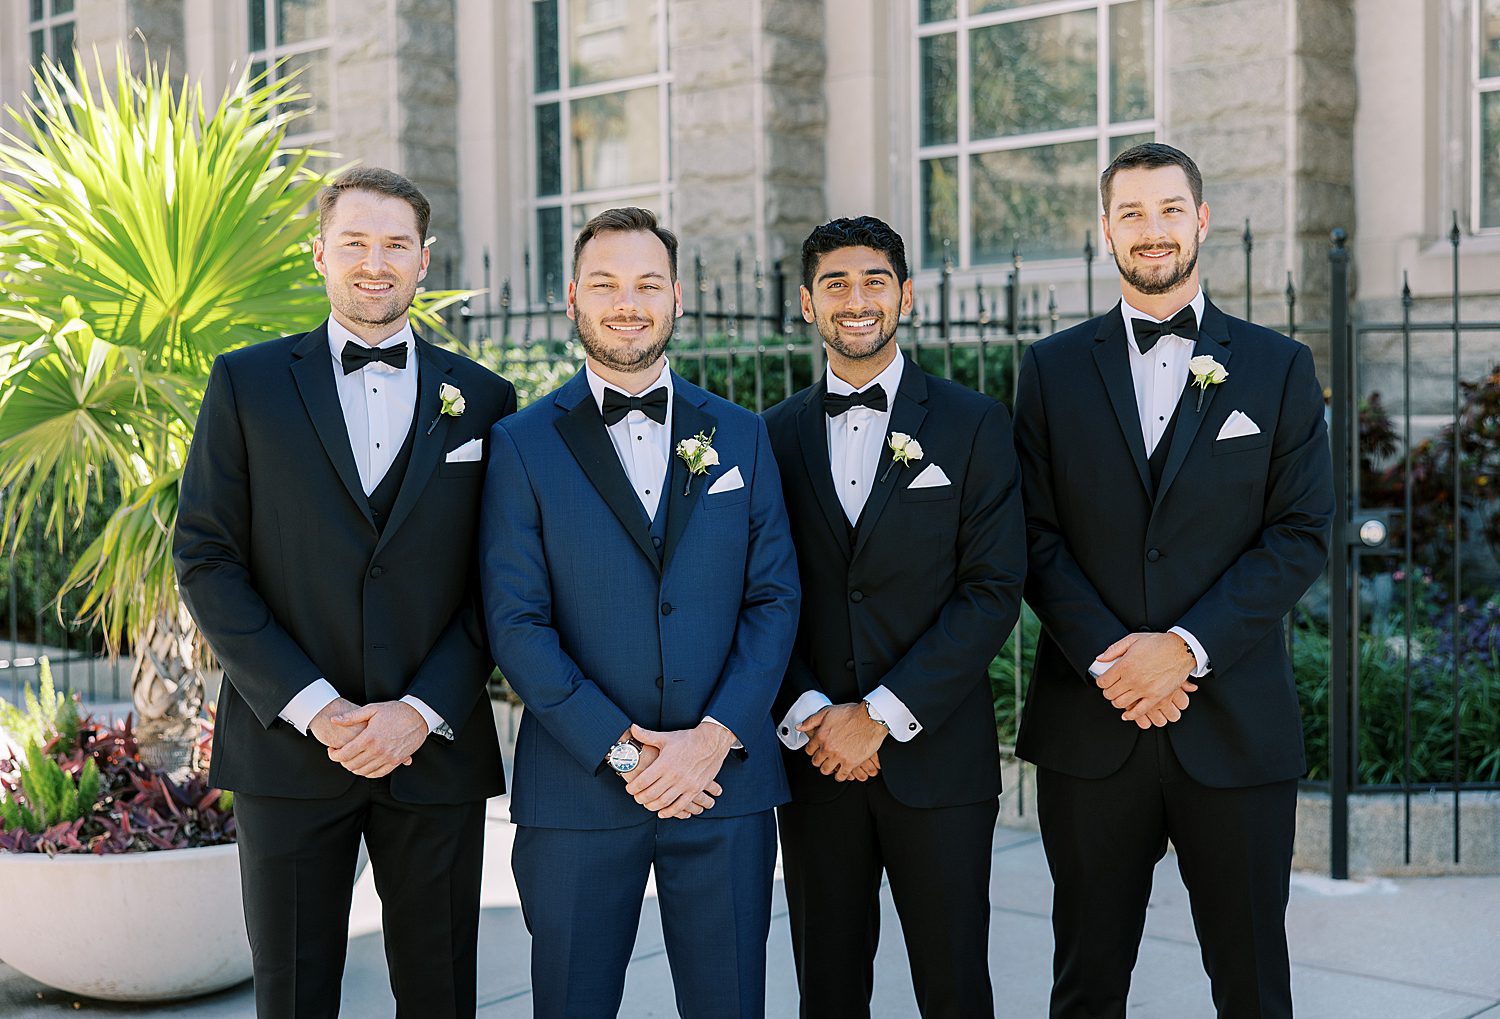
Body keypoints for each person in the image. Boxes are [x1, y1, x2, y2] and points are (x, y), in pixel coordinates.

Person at [173, 166, 514, 1019]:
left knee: (441, 995)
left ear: (424, 260)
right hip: (288, 752)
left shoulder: (484, 398)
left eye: (396, 244)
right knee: (293, 995)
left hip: (434, 750)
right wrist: (315, 706)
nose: (375, 262)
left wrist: (421, 710)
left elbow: (502, 577)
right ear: (320, 253)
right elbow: (207, 556)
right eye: (355, 241)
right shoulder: (246, 384)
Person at [1013, 142, 1334, 1018]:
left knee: (1253, 983)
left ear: (1201, 220)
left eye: (1168, 210)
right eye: (1131, 213)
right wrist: (1117, 662)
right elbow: (1032, 533)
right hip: (1092, 725)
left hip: (1234, 727)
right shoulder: (1050, 369)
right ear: (1105, 230)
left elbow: (1300, 532)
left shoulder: (1277, 366)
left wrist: (1184, 650)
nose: (1151, 230)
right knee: (1085, 983)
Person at [479, 207, 800, 1019]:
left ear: (678, 297)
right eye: (606, 284)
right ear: (572, 298)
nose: (628, 303)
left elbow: (774, 597)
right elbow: (516, 623)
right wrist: (629, 757)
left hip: (723, 788)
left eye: (648, 284)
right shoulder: (521, 443)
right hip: (578, 794)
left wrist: (712, 740)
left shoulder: (742, 434)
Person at [762, 216, 1026, 1018]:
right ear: (806, 303)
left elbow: (992, 587)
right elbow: (756, 593)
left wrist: (878, 715)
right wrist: (814, 712)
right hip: (814, 761)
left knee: (955, 987)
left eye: (874, 280)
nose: (856, 299)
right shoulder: (769, 435)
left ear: (905, 295)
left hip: (938, 760)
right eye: (835, 283)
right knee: (827, 989)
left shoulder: (973, 422)